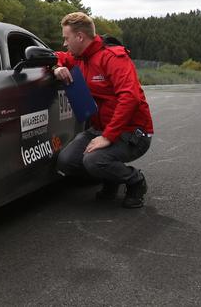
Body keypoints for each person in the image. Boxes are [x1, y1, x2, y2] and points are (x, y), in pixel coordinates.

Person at [53, 12, 154, 208]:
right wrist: (56, 68)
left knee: (93, 160)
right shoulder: (80, 58)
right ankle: (111, 178)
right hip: (101, 129)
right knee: (67, 161)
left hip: (132, 133)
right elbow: (57, 56)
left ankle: (135, 181)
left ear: (80, 37)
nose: (65, 44)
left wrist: (107, 136)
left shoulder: (113, 58)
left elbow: (130, 98)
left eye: (66, 38)